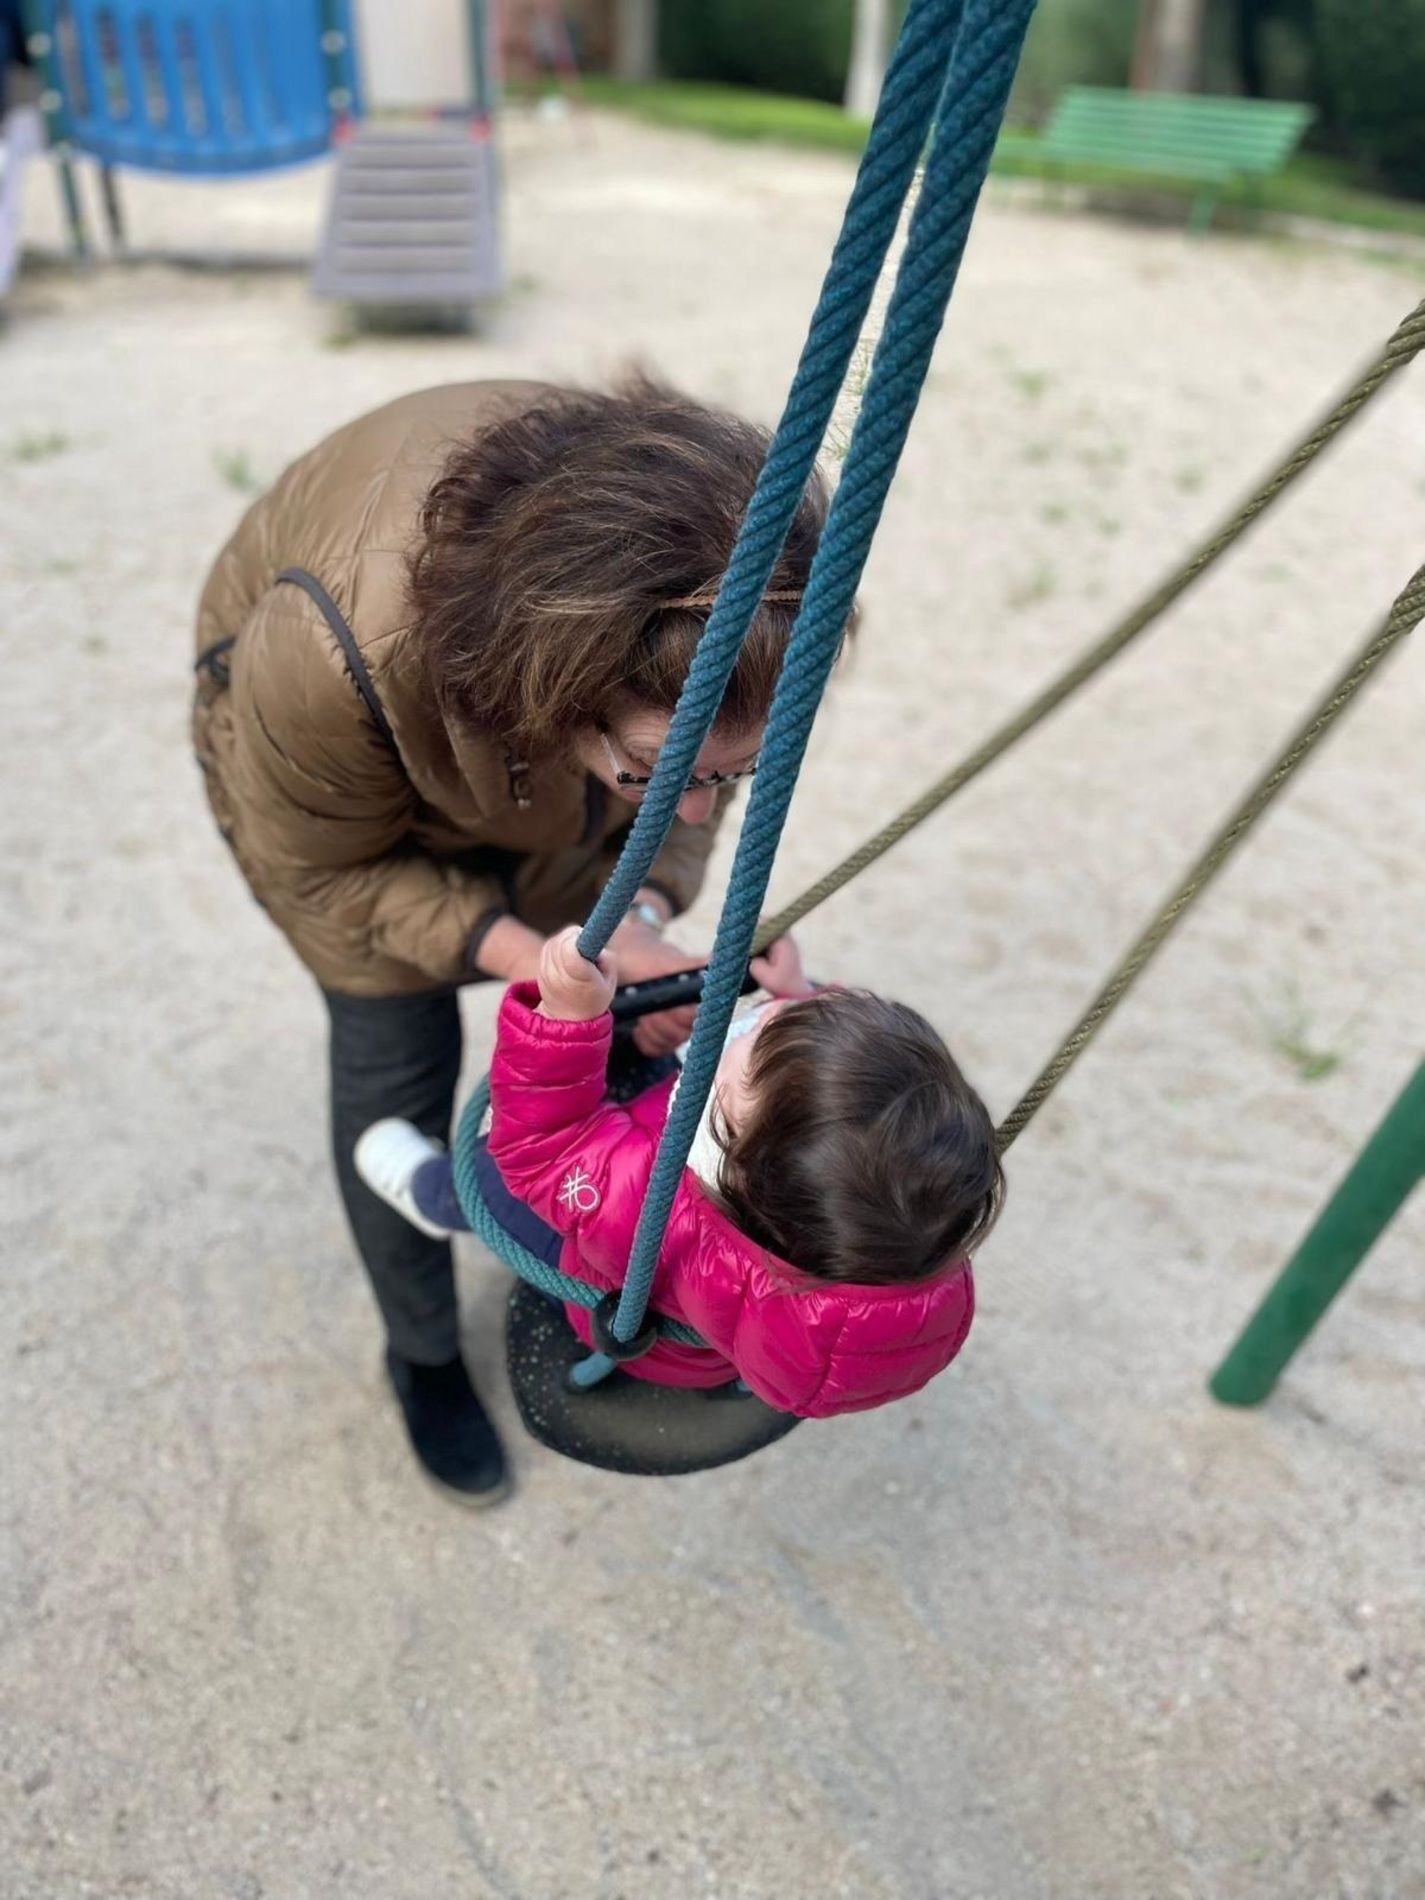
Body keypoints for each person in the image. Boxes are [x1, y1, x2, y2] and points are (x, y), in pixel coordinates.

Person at [192, 376, 829, 1503]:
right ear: (557, 695)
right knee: (392, 1056)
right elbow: (325, 874)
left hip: (549, 754)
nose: (696, 809)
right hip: (355, 772)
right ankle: (423, 1353)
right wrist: (527, 953)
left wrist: (636, 920)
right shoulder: (325, 656)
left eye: (727, 774)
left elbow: (700, 777)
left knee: (630, 1025)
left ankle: (586, 1234)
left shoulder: (733, 622)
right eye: (659, 772)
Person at [357, 928, 1001, 1419]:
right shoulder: (912, 1237)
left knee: (492, 1178)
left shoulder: (653, 1208)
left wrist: (566, 1019)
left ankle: (430, 1195)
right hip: (724, 1342)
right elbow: (856, 1117)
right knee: (747, 1092)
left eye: (745, 1043)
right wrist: (797, 998)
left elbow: (542, 1148)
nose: (756, 1018)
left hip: (616, 1290)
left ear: (725, 1161)